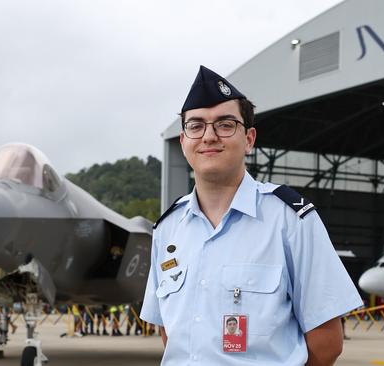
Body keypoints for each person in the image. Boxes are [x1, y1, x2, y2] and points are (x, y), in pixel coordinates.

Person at [139, 65, 363, 365]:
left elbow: (327, 343)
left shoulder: (291, 220)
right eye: (196, 126)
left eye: (225, 124)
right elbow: (171, 334)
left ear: (249, 139)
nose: (209, 136)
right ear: (183, 142)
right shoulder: (168, 229)